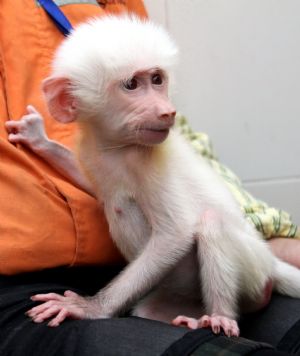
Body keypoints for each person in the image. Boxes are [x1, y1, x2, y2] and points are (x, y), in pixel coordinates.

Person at [0, 1, 299, 355]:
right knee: (155, 319)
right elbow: (97, 184)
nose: (166, 108)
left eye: (158, 79)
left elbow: (177, 230)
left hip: (226, 273)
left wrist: (100, 304)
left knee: (211, 226)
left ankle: (220, 314)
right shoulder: (100, 148)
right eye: (132, 85)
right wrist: (44, 145)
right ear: (68, 102)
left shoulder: (144, 145)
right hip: (135, 286)